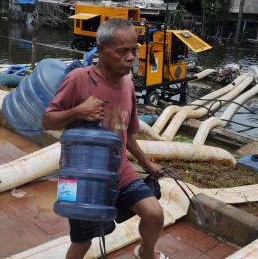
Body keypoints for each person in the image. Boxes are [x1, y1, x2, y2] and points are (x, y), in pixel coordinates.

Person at [42, 19, 168, 259]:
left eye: (134, 50)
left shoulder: (128, 84)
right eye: (122, 51)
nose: (131, 57)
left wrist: (146, 163)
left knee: (154, 214)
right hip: (80, 176)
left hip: (119, 171)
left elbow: (126, 133)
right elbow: (47, 121)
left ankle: (146, 252)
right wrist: (78, 112)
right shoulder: (79, 78)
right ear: (101, 50)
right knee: (82, 242)